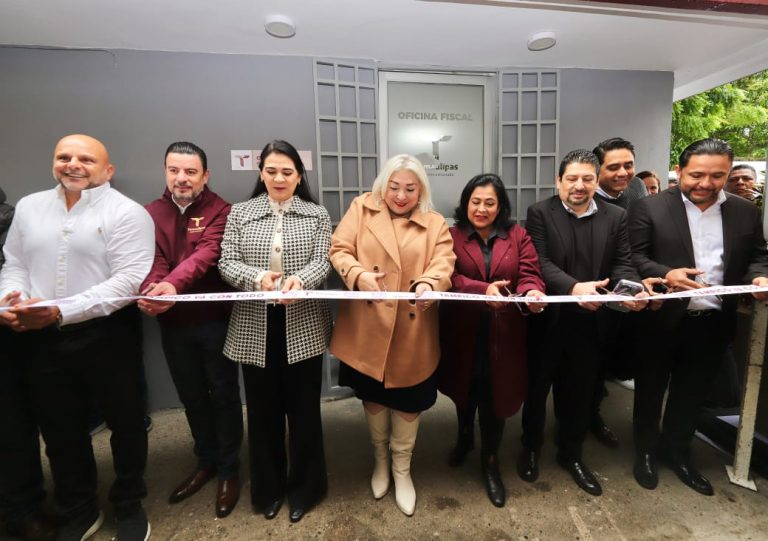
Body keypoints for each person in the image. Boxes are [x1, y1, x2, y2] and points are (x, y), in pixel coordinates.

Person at [0, 134, 155, 540]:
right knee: (60, 427)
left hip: (108, 333)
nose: (73, 164)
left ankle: (129, 502)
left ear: (108, 170)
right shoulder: (30, 207)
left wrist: (61, 310)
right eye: (64, 157)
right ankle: (79, 508)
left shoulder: (128, 213)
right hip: (40, 337)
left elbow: (127, 281)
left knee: (125, 422)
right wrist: (11, 298)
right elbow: (14, 263)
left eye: (86, 159)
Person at [628, 138, 768, 496]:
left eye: (717, 176)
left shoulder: (744, 212)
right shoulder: (651, 208)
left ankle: (678, 452)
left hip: (713, 321)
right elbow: (635, 257)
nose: (706, 183)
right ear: (679, 171)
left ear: (728, 172)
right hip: (660, 321)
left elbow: (757, 256)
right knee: (649, 392)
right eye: (696, 175)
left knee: (690, 394)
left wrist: (758, 277)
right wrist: (665, 273)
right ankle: (645, 453)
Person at [329, 154, 455, 516]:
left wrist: (430, 283)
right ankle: (380, 462)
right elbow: (339, 249)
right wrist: (358, 275)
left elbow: (444, 262)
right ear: (383, 185)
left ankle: (402, 469)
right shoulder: (361, 208)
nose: (401, 196)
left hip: (412, 328)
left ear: (421, 190)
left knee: (409, 401)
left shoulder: (435, 222)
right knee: (373, 396)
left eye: (410, 189)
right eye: (394, 187)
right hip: (367, 326)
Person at [518, 149, 647, 497]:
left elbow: (622, 262)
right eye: (572, 178)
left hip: (592, 322)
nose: (579, 185)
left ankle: (571, 453)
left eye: (587, 179)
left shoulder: (616, 216)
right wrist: (573, 287)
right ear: (558, 181)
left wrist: (631, 289)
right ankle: (530, 446)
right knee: (536, 389)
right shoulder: (540, 212)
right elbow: (539, 261)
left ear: (596, 181)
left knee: (579, 392)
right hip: (548, 321)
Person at [219, 140, 332, 523]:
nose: (279, 178)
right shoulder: (241, 213)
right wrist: (256, 278)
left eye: (287, 171)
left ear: (299, 176)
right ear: (261, 174)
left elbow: (323, 261)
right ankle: (268, 490)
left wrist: (301, 281)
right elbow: (227, 262)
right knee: (263, 413)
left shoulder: (316, 214)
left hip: (303, 324)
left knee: (304, 412)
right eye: (271, 171)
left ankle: (306, 489)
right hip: (255, 324)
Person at [137, 142, 243, 518]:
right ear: (166, 172)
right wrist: (154, 287)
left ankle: (230, 469)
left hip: (214, 321)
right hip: (173, 324)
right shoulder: (150, 213)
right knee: (192, 395)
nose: (181, 178)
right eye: (174, 170)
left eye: (190, 172)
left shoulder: (222, 210)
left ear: (205, 175)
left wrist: (171, 285)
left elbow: (206, 255)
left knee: (224, 394)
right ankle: (206, 461)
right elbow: (152, 258)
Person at [438, 174, 545, 507]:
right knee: (465, 390)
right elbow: (449, 276)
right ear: (465, 202)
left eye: (489, 203)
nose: (481, 209)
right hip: (462, 331)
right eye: (475, 201)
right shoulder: (451, 235)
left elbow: (529, 272)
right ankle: (464, 438)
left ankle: (490, 460)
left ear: (500, 207)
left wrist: (532, 291)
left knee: (495, 396)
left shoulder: (517, 235)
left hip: (505, 334)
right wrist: (483, 290)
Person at [1, 190, 57, 541]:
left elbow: (19, 269)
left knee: (11, 426)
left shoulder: (11, 217)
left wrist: (10, 302)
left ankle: (23, 508)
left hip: (10, 334)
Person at [588, 137, 650, 447]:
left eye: (628, 165)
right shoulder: (583, 197)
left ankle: (593, 411)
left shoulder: (637, 191)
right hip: (591, 298)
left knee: (610, 360)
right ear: (597, 170)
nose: (623, 173)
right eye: (613, 167)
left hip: (629, 295)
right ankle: (584, 417)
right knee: (588, 365)